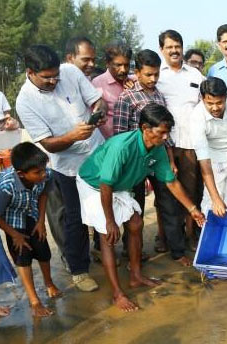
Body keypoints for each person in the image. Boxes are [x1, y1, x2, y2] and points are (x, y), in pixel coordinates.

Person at [77, 103, 205, 312]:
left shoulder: (158, 148)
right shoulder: (122, 147)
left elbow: (171, 182)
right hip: (95, 184)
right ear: (145, 128)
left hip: (118, 185)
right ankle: (117, 294)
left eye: (168, 133)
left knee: (136, 223)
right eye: (161, 132)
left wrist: (192, 209)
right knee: (107, 237)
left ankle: (136, 276)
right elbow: (105, 184)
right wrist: (110, 221)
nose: (165, 138)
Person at [16, 44, 106, 292]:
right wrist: (73, 136)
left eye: (56, 75)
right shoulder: (25, 102)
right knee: (75, 219)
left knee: (106, 207)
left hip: (99, 154)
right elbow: (48, 144)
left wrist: (100, 111)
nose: (55, 80)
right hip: (68, 166)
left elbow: (97, 100)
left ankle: (105, 251)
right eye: (47, 78)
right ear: (31, 72)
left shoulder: (70, 72)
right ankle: (79, 271)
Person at [113, 49, 188, 264]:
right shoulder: (126, 98)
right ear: (137, 72)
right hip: (134, 162)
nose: (153, 79)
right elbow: (120, 135)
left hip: (159, 158)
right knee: (134, 208)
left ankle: (178, 252)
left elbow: (166, 134)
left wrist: (171, 160)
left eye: (156, 74)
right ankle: (131, 252)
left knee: (169, 205)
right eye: (148, 75)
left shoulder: (158, 95)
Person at [0, 142, 62, 317]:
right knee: (22, 256)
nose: (43, 174)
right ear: (21, 174)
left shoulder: (45, 174)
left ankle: (49, 284)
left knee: (43, 249)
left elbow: (43, 194)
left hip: (32, 214)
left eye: (43, 169)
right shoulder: (6, 186)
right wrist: (14, 235)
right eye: (37, 173)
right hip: (11, 220)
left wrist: (41, 220)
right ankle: (34, 301)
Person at [157, 30, 205, 251]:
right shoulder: (157, 76)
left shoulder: (195, 75)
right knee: (164, 193)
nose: (174, 50)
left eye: (177, 46)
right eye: (169, 47)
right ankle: (164, 238)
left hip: (190, 143)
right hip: (163, 144)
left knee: (190, 190)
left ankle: (190, 236)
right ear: (162, 50)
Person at [191, 77, 227, 216]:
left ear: (226, 97)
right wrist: (216, 199)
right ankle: (208, 232)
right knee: (212, 201)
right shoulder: (197, 117)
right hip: (213, 155)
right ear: (202, 98)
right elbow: (205, 163)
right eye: (210, 103)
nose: (215, 108)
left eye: (219, 103)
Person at [92, 41, 134, 139]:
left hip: (134, 142)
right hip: (109, 143)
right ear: (107, 63)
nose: (123, 70)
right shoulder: (97, 84)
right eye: (118, 65)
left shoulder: (135, 81)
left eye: (126, 65)